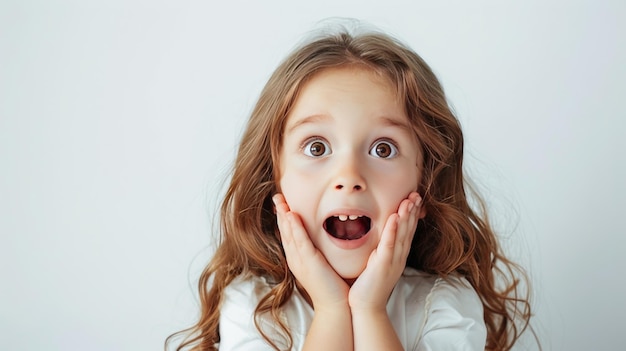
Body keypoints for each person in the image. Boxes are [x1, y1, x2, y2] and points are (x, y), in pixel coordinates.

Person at [167, 24, 535, 351]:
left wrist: (369, 311)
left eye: (383, 149)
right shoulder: (253, 308)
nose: (349, 176)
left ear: (426, 184)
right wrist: (330, 310)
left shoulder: (444, 305)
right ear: (272, 178)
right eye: (316, 148)